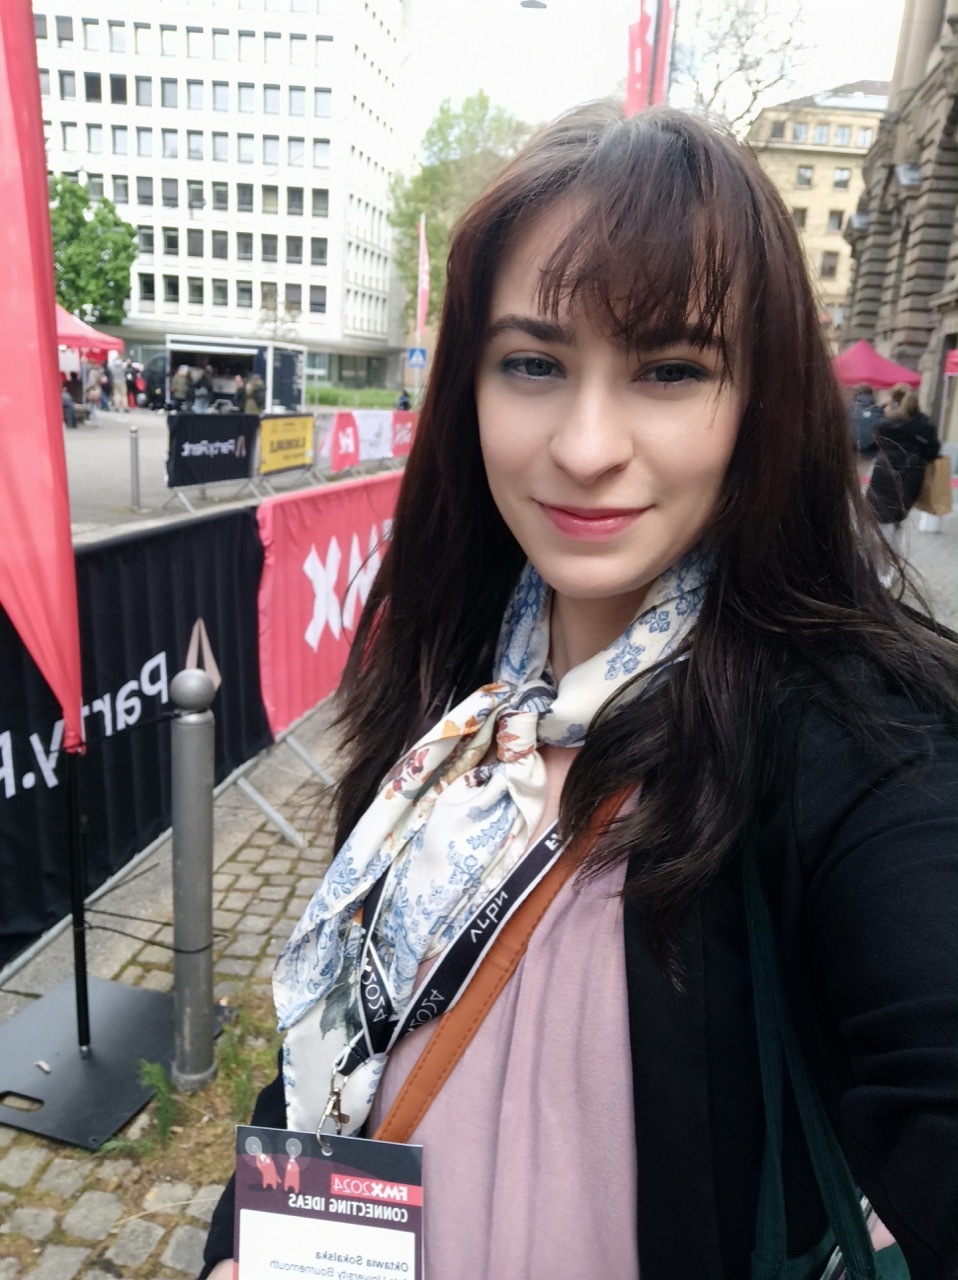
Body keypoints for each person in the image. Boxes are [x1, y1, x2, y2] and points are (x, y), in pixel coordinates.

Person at [200, 104, 957, 1280]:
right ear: (469, 385)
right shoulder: (454, 696)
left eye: (669, 369)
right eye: (534, 363)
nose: (586, 445)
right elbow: (346, 1031)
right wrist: (241, 1244)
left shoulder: (852, 739)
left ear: (760, 400)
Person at [866, 386, 941, 553]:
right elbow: (933, 452)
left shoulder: (886, 423)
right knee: (898, 513)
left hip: (884, 470)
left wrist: (880, 408)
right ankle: (892, 555)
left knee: (881, 513)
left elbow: (870, 435)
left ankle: (883, 556)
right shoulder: (924, 425)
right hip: (911, 472)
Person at [848, 382, 881, 457]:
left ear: (856, 393)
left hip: (853, 452)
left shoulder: (849, 410)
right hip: (872, 453)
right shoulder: (878, 411)